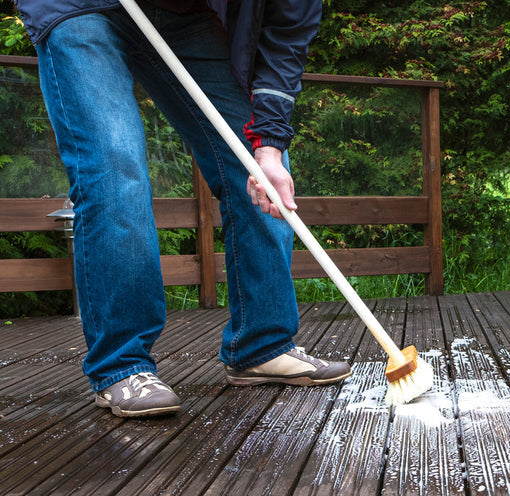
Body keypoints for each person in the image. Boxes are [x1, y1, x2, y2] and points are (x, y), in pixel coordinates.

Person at [14, 0, 351, 418]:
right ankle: (123, 365)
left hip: (186, 14)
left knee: (255, 164)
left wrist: (269, 145)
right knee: (116, 168)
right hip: (80, 7)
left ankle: (261, 344)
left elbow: (284, 41)